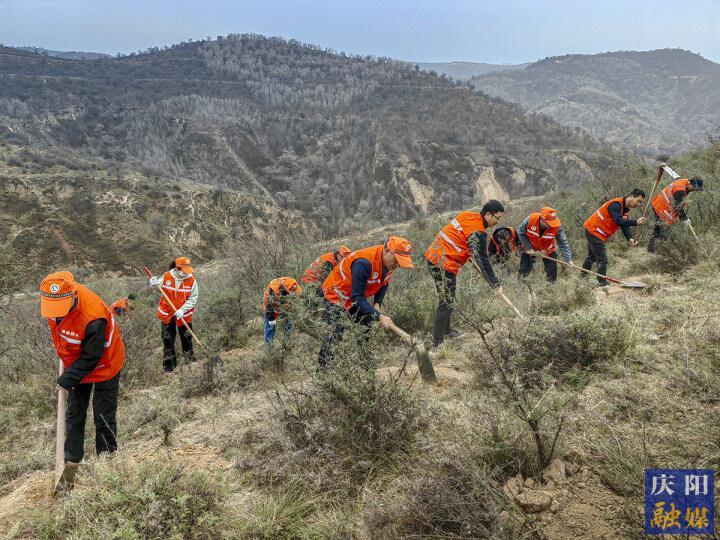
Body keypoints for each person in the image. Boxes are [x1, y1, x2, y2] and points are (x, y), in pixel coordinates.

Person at [40, 271, 125, 466]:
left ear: (73, 296)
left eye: (60, 308)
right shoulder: (53, 301)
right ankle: (71, 461)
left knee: (103, 414)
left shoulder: (93, 318)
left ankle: (107, 462)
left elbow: (91, 357)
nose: (55, 313)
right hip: (76, 362)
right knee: (74, 412)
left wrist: (67, 379)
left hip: (105, 363)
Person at [317, 236, 414, 369]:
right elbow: (357, 298)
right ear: (386, 251)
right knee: (334, 333)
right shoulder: (364, 263)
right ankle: (323, 374)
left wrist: (377, 304)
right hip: (335, 294)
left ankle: (365, 367)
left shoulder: (388, 264)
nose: (397, 265)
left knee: (367, 324)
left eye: (401, 262)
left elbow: (384, 283)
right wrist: (380, 316)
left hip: (352, 296)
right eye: (397, 260)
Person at [425, 200, 504, 347]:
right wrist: (495, 284)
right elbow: (483, 260)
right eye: (497, 218)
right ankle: (438, 343)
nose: (497, 222)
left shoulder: (468, 215)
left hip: (435, 257)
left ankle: (447, 331)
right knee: (446, 301)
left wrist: (467, 252)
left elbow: (460, 236)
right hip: (442, 263)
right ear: (488, 214)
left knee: (448, 297)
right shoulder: (478, 232)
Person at [583, 189, 647, 286]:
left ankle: (582, 278)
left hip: (598, 232)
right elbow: (618, 221)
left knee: (592, 257)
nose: (638, 204)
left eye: (640, 202)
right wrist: (636, 222)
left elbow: (624, 225)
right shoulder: (616, 205)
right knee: (602, 259)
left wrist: (630, 238)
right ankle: (602, 282)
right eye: (638, 201)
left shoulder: (625, 210)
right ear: (631, 197)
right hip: (594, 230)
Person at [149, 256, 198, 373]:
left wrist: (182, 310)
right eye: (183, 270)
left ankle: (189, 362)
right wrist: (153, 284)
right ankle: (169, 367)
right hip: (167, 314)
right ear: (177, 268)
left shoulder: (192, 280)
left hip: (184, 315)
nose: (186, 273)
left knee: (186, 338)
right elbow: (158, 287)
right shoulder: (166, 276)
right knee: (168, 340)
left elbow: (193, 298)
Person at [648, 177, 704, 252]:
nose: (695, 190)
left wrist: (684, 217)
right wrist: (684, 218)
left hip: (659, 203)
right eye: (694, 188)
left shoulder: (685, 181)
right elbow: (677, 206)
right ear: (690, 183)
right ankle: (659, 250)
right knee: (664, 229)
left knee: (659, 228)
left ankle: (651, 250)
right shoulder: (680, 190)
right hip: (662, 207)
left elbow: (678, 203)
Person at [517, 207, 573, 282]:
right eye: (549, 223)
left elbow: (562, 242)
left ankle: (549, 288)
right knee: (524, 269)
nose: (551, 226)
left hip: (547, 249)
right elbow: (521, 233)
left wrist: (568, 259)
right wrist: (529, 248)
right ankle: (521, 286)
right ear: (542, 219)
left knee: (552, 270)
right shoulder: (530, 220)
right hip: (530, 248)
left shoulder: (557, 226)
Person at [263, 277, 302, 343]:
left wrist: (292, 309)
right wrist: (272, 318)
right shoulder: (272, 291)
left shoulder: (295, 287)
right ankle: (269, 347)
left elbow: (297, 301)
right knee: (270, 326)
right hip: (272, 305)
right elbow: (268, 306)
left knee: (288, 324)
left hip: (286, 305)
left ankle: (288, 344)